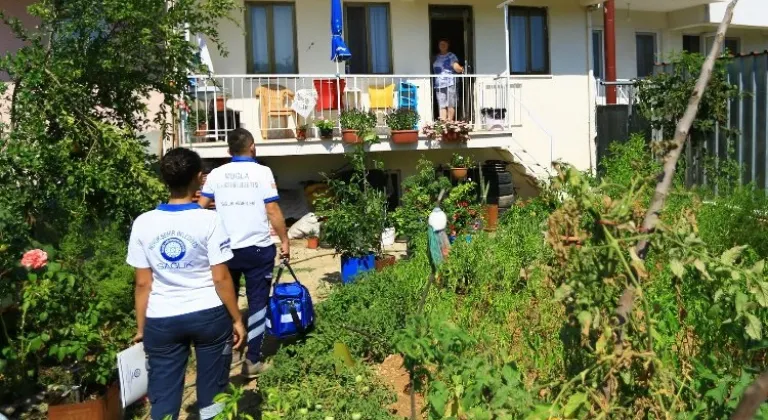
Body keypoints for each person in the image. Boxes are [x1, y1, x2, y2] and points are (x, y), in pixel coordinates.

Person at [126, 148, 245, 420]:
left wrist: (142, 328)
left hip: (161, 318)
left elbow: (143, 284)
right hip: (209, 316)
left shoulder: (143, 223)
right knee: (213, 392)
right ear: (198, 178)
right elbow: (220, 277)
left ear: (165, 179)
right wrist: (237, 319)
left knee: (164, 396)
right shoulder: (210, 220)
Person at [197, 128, 290, 378]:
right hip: (257, 249)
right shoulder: (262, 172)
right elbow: (271, 209)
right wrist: (284, 239)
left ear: (229, 151)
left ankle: (227, 355)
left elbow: (200, 208)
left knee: (227, 302)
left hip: (224, 250)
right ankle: (252, 360)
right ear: (252, 147)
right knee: (258, 303)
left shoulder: (216, 174)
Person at [432, 38, 464, 121]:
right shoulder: (435, 57)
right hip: (439, 84)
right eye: (441, 44)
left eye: (444, 44)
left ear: (448, 45)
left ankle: (449, 123)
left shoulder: (451, 56)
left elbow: (457, 68)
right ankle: (443, 125)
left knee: (450, 104)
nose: (442, 46)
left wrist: (460, 68)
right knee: (441, 105)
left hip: (450, 83)